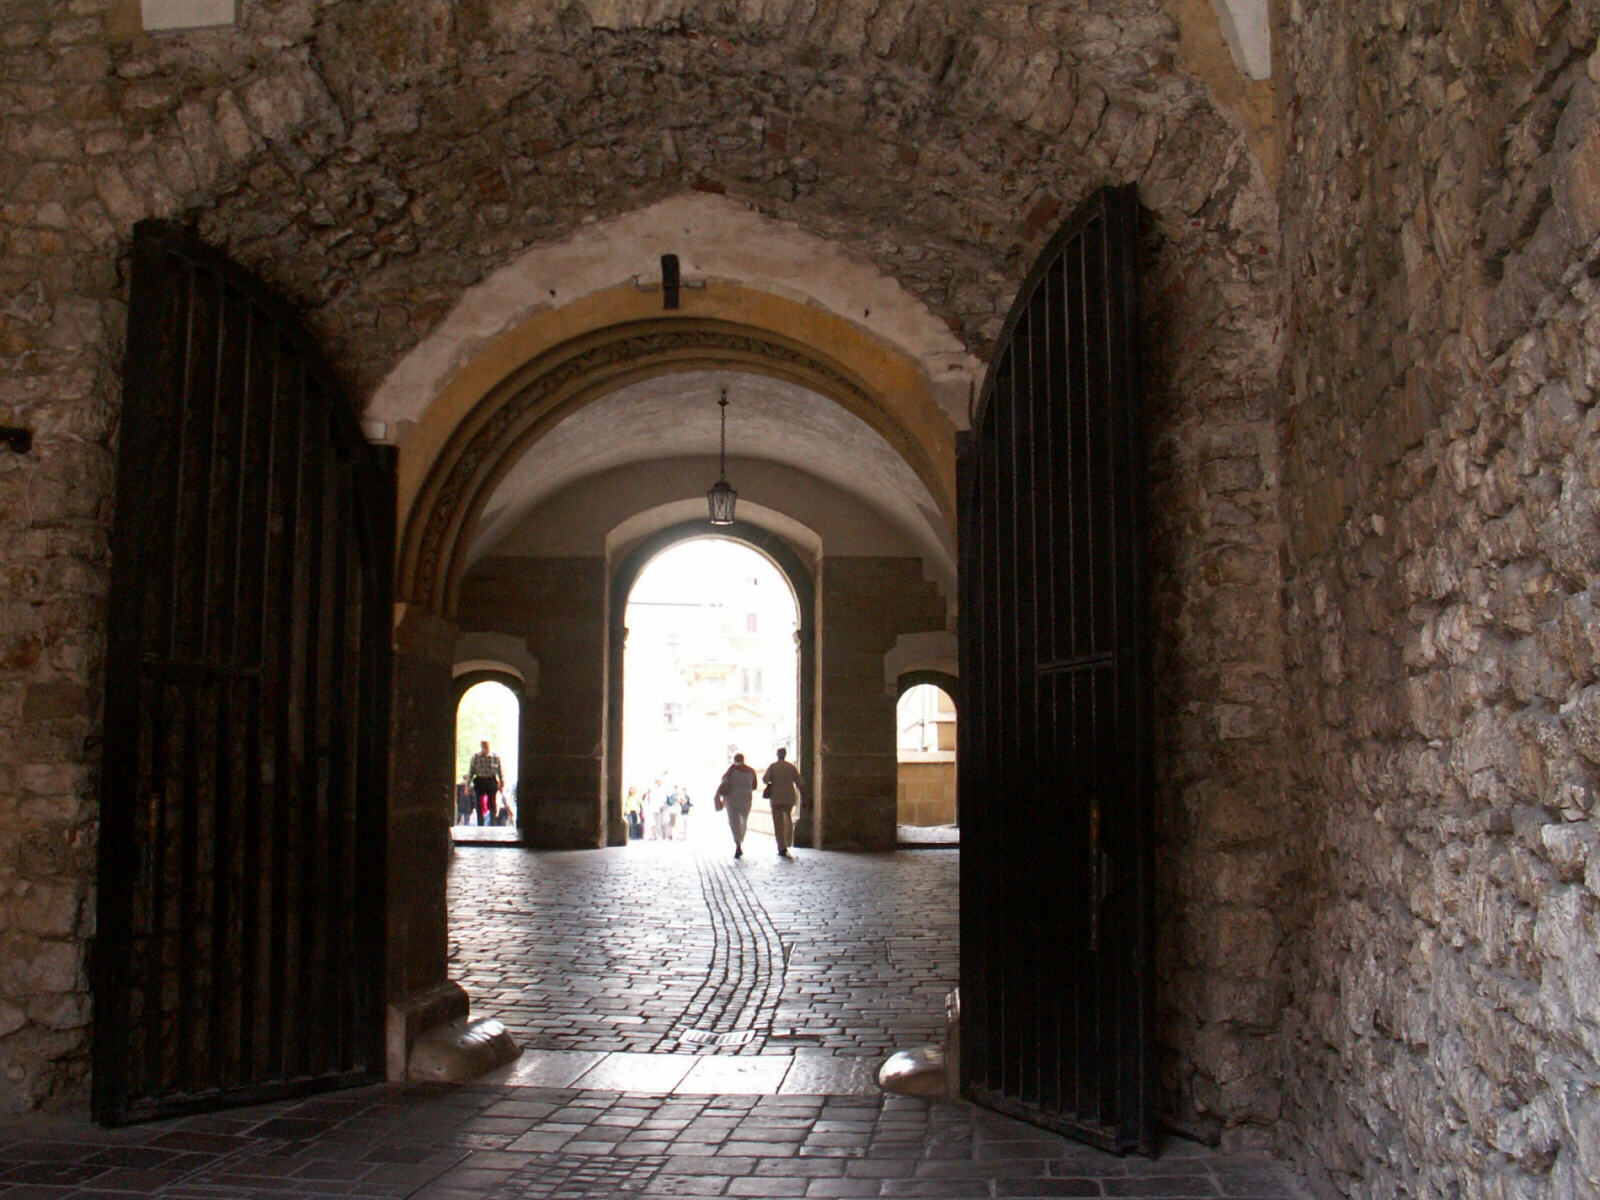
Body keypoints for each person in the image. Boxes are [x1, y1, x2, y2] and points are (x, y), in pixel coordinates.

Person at [714, 752, 758, 859]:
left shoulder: (731, 771)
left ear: (734, 759)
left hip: (732, 799)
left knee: (733, 822)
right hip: (746, 799)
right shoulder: (751, 771)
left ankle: (737, 843)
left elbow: (723, 781)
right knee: (744, 820)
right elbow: (755, 786)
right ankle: (740, 840)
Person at [762, 747, 803, 858]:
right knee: (788, 819)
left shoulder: (773, 766)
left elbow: (765, 779)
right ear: (785, 755)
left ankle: (781, 846)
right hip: (789, 797)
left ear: (777, 755)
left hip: (776, 798)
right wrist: (804, 795)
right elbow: (799, 782)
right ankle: (788, 842)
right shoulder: (791, 767)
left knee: (778, 823)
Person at [467, 740, 504, 827]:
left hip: (491, 780)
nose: (485, 748)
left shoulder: (495, 757)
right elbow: (471, 771)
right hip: (480, 780)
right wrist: (467, 784)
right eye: (483, 746)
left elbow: (500, 771)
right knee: (478, 803)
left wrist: (502, 782)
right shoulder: (476, 756)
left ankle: (492, 822)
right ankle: (480, 823)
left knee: (492, 803)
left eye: (486, 746)